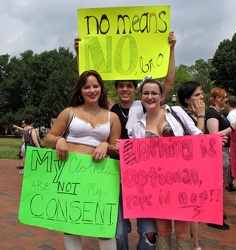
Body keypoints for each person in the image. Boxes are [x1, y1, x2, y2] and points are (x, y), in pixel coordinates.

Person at [75, 31, 176, 250]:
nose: (125, 89)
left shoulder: (145, 104)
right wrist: (79, 54)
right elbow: (87, 84)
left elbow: (168, 83)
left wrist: (171, 49)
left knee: (149, 231)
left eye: (129, 86)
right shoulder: (110, 108)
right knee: (118, 231)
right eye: (121, 86)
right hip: (115, 171)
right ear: (116, 89)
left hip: (144, 175)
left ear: (135, 90)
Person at [44, 70, 121, 250]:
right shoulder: (69, 112)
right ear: (80, 90)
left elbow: (116, 149)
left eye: (95, 86)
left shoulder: (113, 117)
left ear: (102, 89)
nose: (91, 90)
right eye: (87, 87)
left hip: (99, 178)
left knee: (103, 225)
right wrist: (59, 140)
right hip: (71, 176)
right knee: (70, 225)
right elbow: (48, 138)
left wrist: (105, 145)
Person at [132, 79, 203, 250]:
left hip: (182, 180)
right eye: (146, 93)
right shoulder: (137, 127)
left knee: (182, 232)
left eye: (154, 93)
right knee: (162, 231)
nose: (150, 96)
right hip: (156, 185)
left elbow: (197, 135)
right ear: (141, 97)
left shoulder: (176, 112)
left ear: (162, 96)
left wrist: (213, 140)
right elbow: (137, 159)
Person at [205, 88, 236, 230]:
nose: (226, 100)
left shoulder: (218, 113)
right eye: (223, 98)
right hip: (218, 153)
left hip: (223, 152)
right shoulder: (212, 113)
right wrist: (233, 127)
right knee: (217, 185)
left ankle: (216, 213)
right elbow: (215, 136)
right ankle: (214, 216)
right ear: (215, 98)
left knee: (220, 184)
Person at [177, 80, 205, 250]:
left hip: (199, 167)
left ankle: (195, 243)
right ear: (187, 99)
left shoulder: (196, 114)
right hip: (187, 170)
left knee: (196, 209)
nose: (201, 96)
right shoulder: (182, 116)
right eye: (197, 94)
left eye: (201, 93)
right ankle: (194, 245)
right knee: (191, 210)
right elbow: (197, 139)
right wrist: (201, 116)